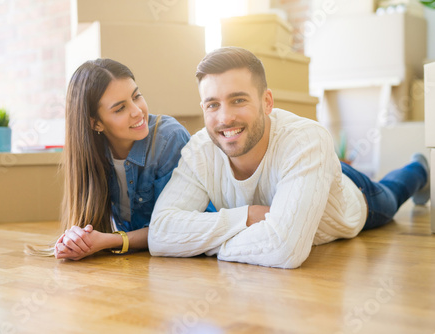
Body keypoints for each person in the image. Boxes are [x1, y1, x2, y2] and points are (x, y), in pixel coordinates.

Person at [148, 46, 431, 269]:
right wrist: (246, 217)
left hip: (351, 196)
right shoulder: (200, 150)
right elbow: (160, 234)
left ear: (267, 101)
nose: (225, 118)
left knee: (393, 192)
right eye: (213, 104)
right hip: (304, 177)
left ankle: (421, 168)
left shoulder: (306, 138)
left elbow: (285, 249)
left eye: (238, 100)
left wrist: (199, 245)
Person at [26, 58, 190, 260]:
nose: (137, 111)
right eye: (120, 108)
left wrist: (111, 241)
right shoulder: (92, 151)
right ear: (95, 124)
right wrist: (76, 240)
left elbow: (177, 228)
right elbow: (89, 222)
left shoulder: (169, 139)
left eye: (136, 96)